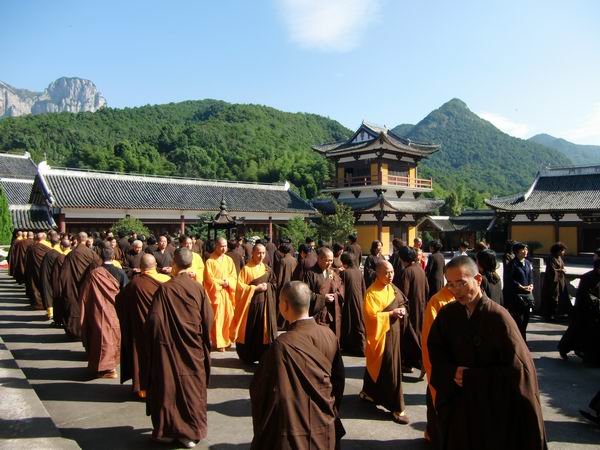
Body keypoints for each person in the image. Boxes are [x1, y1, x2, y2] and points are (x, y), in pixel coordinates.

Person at [428, 256, 547, 450]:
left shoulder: (498, 317)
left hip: (492, 411)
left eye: (461, 283)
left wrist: (471, 377)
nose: (455, 290)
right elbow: (436, 354)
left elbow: (519, 372)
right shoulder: (448, 314)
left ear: (477, 280)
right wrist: (452, 372)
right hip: (459, 406)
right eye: (450, 284)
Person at [250, 281, 345, 449]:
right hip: (324, 423)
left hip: (293, 429)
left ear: (285, 305)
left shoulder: (281, 345)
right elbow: (338, 381)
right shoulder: (329, 335)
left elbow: (263, 389)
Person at [146, 248, 213, 448]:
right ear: (191, 264)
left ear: (174, 264)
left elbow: (154, 320)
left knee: (168, 388)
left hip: (169, 349)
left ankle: (167, 430)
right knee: (192, 390)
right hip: (193, 348)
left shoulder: (165, 289)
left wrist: (160, 342)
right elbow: (208, 319)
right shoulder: (198, 289)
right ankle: (190, 433)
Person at [360, 260, 410, 424]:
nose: (390, 276)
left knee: (380, 367)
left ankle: (368, 392)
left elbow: (402, 301)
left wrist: (401, 309)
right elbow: (370, 317)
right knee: (390, 369)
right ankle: (397, 408)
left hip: (393, 333)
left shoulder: (391, 288)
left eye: (392, 272)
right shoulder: (371, 293)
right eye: (386, 273)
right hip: (382, 335)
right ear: (378, 273)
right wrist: (390, 314)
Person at [118, 253, 170, 399]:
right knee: (161, 357)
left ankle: (143, 389)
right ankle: (162, 386)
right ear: (155, 267)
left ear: (140, 268)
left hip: (140, 328)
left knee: (141, 357)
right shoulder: (166, 281)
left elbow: (120, 303)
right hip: (162, 328)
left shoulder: (134, 284)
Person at [79, 245, 128, 379]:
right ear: (113, 257)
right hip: (115, 311)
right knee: (113, 339)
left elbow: (86, 294)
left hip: (98, 310)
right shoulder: (120, 272)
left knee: (99, 339)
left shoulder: (94, 273)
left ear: (100, 257)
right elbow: (126, 292)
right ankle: (110, 367)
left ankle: (106, 368)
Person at [230, 243, 277, 364]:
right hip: (250, 306)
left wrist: (268, 286)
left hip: (264, 305)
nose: (261, 256)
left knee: (263, 332)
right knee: (250, 330)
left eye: (263, 253)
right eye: (258, 253)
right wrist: (255, 289)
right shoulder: (246, 269)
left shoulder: (266, 268)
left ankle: (263, 356)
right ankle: (248, 356)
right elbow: (239, 287)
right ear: (253, 253)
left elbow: (274, 284)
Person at [421, 285, 455, 447]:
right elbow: (430, 340)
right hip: (442, 368)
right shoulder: (437, 301)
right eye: (453, 282)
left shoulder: (470, 299)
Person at [60, 232, 102, 339]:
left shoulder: (71, 254)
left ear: (76, 239)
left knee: (74, 308)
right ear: (86, 239)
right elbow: (98, 267)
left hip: (73, 284)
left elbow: (64, 274)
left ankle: (75, 331)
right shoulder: (92, 254)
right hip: (88, 285)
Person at [558, 258, 600, 364]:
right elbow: (586, 295)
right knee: (576, 333)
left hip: (596, 312)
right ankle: (563, 349)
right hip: (584, 312)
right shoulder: (587, 277)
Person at [397, 246, 429, 373]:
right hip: (420, 307)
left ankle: (421, 361)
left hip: (410, 309)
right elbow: (426, 288)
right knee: (417, 334)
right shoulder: (420, 269)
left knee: (409, 336)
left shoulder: (407, 272)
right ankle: (409, 363)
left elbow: (403, 294)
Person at [203, 236, 237, 351]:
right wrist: (222, 282)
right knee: (217, 318)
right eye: (221, 246)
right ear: (216, 246)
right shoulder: (210, 261)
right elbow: (208, 279)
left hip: (227, 293)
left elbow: (233, 276)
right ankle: (218, 342)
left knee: (228, 317)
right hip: (216, 294)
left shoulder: (229, 260)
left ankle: (227, 340)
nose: (223, 248)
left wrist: (228, 282)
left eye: (225, 246)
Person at [303, 247, 344, 340]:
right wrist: (322, 298)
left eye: (331, 261)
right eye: (327, 261)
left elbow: (340, 287)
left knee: (330, 339)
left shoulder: (332, 272)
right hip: (316, 313)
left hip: (330, 312)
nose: (329, 263)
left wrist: (336, 295)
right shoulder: (310, 274)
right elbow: (305, 293)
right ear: (319, 259)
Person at [339, 252, 366, 356]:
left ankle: (349, 347)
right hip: (359, 301)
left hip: (348, 302)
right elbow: (363, 287)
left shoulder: (345, 273)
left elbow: (341, 289)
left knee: (348, 324)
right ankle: (361, 347)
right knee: (359, 323)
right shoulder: (359, 272)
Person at [506, 242, 534, 341]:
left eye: (526, 249)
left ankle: (523, 341)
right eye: (523, 249)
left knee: (526, 320)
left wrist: (531, 285)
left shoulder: (527, 262)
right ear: (517, 251)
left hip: (527, 296)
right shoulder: (512, 264)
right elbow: (509, 279)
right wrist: (520, 286)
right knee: (519, 321)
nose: (526, 251)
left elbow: (530, 275)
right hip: (517, 296)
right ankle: (520, 342)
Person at [39, 232, 68, 320]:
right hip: (57, 276)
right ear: (60, 244)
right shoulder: (60, 254)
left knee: (49, 292)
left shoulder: (48, 253)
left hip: (48, 275)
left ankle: (50, 313)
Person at [24, 232, 53, 311]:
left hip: (33, 268)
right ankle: (47, 303)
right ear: (45, 237)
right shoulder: (49, 246)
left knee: (34, 286)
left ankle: (37, 304)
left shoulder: (31, 247)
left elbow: (26, 260)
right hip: (46, 269)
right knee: (46, 285)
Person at [541, 242, 568, 321]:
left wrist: (561, 270)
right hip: (552, 283)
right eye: (562, 250)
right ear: (558, 250)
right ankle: (549, 315)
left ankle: (558, 313)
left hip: (559, 281)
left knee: (560, 297)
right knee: (552, 298)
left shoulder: (559, 258)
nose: (563, 252)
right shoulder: (551, 258)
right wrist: (561, 270)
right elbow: (551, 270)